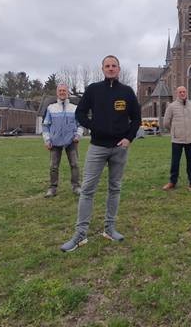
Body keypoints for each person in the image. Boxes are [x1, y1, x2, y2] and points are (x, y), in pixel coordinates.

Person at [60, 55, 141, 252]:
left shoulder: (127, 92)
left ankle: (109, 229)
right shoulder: (94, 90)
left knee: (115, 188)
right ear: (102, 69)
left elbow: (136, 119)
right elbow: (80, 113)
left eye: (114, 66)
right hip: (97, 147)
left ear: (119, 69)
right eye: (107, 66)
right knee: (87, 189)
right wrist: (93, 126)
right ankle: (80, 235)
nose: (111, 68)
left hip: (119, 149)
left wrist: (128, 139)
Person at [42, 83, 83, 198]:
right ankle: (52, 188)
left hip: (71, 141)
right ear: (57, 93)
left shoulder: (75, 108)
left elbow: (80, 124)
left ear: (68, 93)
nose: (62, 93)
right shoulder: (51, 108)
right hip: (54, 142)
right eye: (60, 91)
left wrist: (78, 135)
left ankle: (76, 187)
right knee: (53, 166)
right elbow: (45, 125)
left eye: (64, 91)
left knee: (74, 164)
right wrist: (47, 140)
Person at [162, 86, 191, 191]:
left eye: (184, 92)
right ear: (177, 93)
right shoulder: (171, 106)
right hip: (177, 139)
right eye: (180, 92)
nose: (182, 93)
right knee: (175, 162)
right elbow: (166, 122)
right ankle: (172, 182)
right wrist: (174, 130)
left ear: (186, 93)